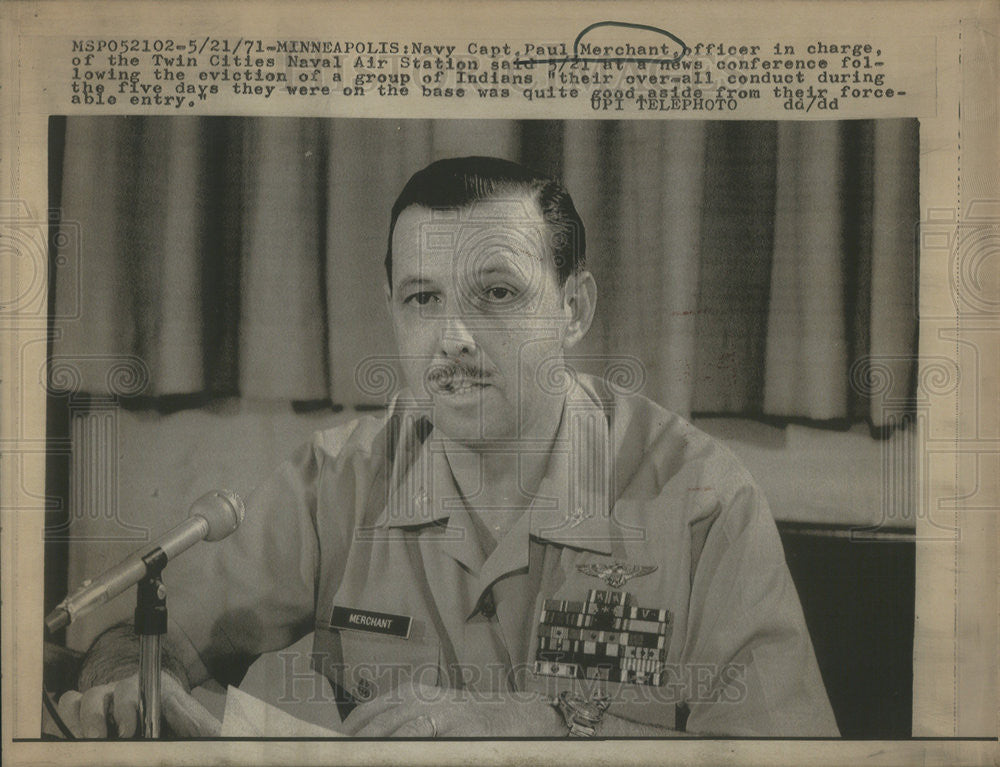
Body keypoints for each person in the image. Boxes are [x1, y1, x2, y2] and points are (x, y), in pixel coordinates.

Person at [58, 156, 839, 738]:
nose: (453, 339)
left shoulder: (703, 496)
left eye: (496, 294)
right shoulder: (339, 479)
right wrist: (125, 677)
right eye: (423, 299)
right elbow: (136, 633)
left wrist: (540, 731)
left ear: (574, 308)